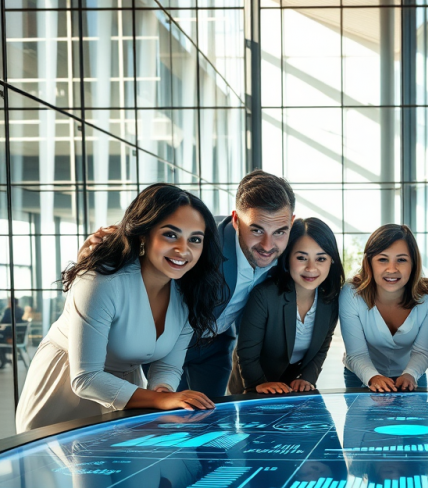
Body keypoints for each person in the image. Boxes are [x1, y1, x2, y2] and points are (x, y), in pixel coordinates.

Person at [16, 184, 224, 433]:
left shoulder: (190, 294)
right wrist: (160, 400)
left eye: (195, 239)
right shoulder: (100, 282)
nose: (183, 249)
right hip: (65, 388)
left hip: (128, 391)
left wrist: (163, 391)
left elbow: (168, 366)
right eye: (170, 234)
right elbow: (86, 378)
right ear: (143, 235)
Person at [80, 170, 296, 398]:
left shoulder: (292, 252)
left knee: (210, 413)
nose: (267, 245)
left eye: (280, 231)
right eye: (256, 230)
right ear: (235, 221)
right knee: (171, 413)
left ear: (291, 223)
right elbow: (145, 244)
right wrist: (94, 253)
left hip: (217, 343)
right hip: (168, 341)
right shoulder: (201, 240)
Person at [228, 217, 344, 395]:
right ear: (287, 258)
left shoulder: (330, 300)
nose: (311, 268)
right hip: (252, 386)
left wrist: (307, 378)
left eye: (321, 259)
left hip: (293, 390)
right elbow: (246, 352)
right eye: (301, 258)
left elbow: (321, 348)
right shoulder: (264, 295)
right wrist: (257, 383)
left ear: (332, 261)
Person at [339, 224, 428, 392]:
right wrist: (374, 377)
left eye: (401, 260)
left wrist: (410, 374)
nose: (392, 269)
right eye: (382, 259)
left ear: (413, 264)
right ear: (369, 263)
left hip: (412, 373)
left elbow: (423, 351)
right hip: (361, 374)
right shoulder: (351, 293)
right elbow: (357, 354)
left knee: (419, 419)